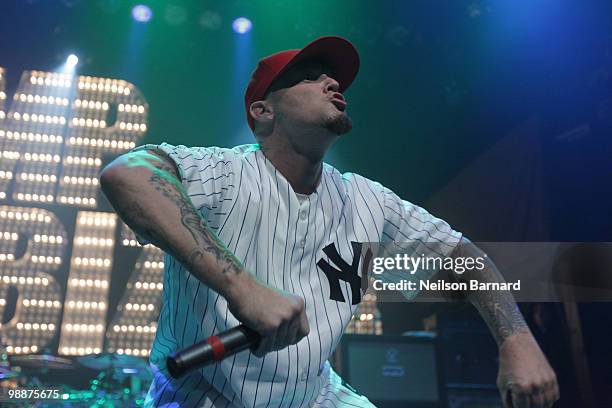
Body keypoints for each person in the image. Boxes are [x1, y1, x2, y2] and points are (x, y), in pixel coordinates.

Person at [100, 36, 559, 408]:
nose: (332, 82)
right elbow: (127, 175)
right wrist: (244, 288)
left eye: (334, 76)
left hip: (313, 396)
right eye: (309, 77)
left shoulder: (366, 198)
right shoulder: (227, 171)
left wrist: (517, 339)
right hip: (200, 396)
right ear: (263, 111)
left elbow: (464, 257)